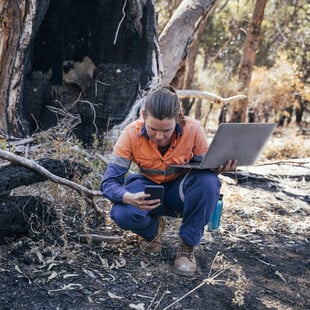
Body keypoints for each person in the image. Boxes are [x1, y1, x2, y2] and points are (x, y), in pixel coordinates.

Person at [101, 86, 237, 277]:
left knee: (208, 181)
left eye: (166, 130)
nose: (159, 136)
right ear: (142, 115)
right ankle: (153, 232)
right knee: (120, 212)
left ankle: (187, 248)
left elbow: (203, 173)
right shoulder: (130, 134)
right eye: (153, 129)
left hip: (179, 193)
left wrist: (218, 168)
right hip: (147, 191)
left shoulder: (193, 129)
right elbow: (108, 183)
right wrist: (128, 196)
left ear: (179, 117)